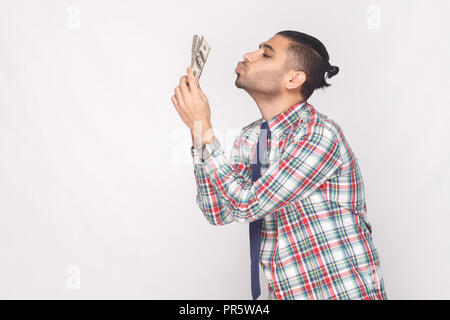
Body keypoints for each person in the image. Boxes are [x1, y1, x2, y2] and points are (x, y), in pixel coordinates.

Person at [171, 30, 387, 300]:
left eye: (266, 53)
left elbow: (247, 204)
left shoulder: (319, 134)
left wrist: (204, 130)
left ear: (294, 79)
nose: (248, 56)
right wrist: (198, 129)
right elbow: (218, 210)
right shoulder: (253, 138)